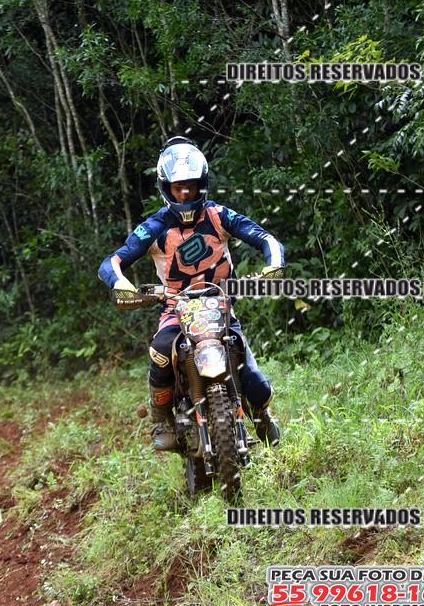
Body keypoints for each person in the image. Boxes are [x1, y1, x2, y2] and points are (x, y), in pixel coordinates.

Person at [98, 136, 285, 452]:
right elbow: (112, 261)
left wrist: (274, 265)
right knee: (160, 350)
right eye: (178, 187)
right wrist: (120, 284)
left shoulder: (219, 216)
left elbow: (266, 239)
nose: (185, 193)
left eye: (191, 186)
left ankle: (261, 413)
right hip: (175, 308)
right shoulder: (154, 227)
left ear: (202, 184)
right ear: (166, 187)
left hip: (220, 306)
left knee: (252, 375)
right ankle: (162, 419)